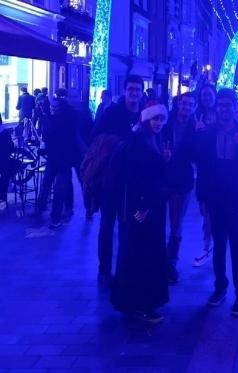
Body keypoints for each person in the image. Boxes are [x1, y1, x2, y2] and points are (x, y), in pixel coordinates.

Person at [195, 88, 238, 316]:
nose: (223, 109)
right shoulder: (208, 133)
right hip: (215, 198)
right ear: (216, 108)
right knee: (219, 246)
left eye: (227, 105)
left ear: (234, 107)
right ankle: (220, 287)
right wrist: (201, 197)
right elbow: (202, 167)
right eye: (220, 105)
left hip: (237, 198)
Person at [110, 101, 170, 324]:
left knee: (139, 253)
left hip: (149, 207)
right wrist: (142, 207)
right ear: (146, 119)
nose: (158, 123)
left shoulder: (150, 139)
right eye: (155, 119)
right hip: (143, 209)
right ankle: (143, 304)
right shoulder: (138, 142)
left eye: (162, 119)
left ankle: (133, 302)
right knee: (143, 255)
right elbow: (135, 179)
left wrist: (165, 161)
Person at [88, 75, 143, 284]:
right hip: (110, 180)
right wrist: (120, 141)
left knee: (127, 224)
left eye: (137, 90)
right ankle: (104, 268)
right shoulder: (112, 113)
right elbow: (94, 137)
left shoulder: (143, 114)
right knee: (107, 223)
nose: (134, 94)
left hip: (132, 181)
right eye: (131, 90)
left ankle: (123, 266)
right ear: (124, 91)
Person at [163, 92, 197, 284]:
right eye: (184, 104)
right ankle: (161, 258)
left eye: (191, 104)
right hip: (164, 177)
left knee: (177, 222)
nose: (187, 107)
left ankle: (171, 262)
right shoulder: (167, 121)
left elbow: (199, 152)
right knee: (159, 219)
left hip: (183, 180)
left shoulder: (196, 126)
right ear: (178, 104)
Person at [38, 89, 80, 228]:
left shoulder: (54, 117)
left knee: (50, 183)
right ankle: (63, 211)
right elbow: (76, 136)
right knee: (63, 184)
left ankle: (46, 210)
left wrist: (46, 117)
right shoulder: (74, 114)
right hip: (67, 156)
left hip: (54, 155)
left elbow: (47, 135)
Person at [192, 83, 218, 267]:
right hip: (204, 170)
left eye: (210, 94)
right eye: (204, 95)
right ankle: (207, 245)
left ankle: (215, 245)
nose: (207, 97)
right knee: (206, 210)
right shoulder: (196, 116)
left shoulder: (223, 115)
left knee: (217, 212)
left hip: (222, 169)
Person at [0, 114, 15, 211]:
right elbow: (11, 148)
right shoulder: (5, 133)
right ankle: (3, 197)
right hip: (4, 161)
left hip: (3, 161)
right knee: (5, 175)